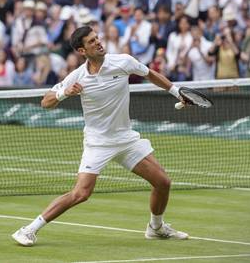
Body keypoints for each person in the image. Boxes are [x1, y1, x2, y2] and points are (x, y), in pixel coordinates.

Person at [11, 26, 189, 246]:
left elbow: (150, 74)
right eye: (91, 41)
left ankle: (156, 227)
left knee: (163, 182)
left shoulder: (123, 61)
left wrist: (176, 91)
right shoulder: (77, 76)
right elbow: (45, 102)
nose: (98, 42)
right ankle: (28, 229)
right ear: (81, 50)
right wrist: (64, 93)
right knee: (81, 193)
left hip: (126, 139)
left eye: (97, 38)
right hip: (98, 143)